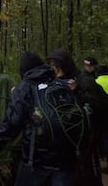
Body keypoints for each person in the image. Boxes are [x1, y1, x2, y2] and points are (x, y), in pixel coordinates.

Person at [0, 51, 84, 186]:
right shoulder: (60, 84)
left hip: (36, 161)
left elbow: (11, 124)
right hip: (66, 159)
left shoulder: (24, 89)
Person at [46, 49, 107, 186]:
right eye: (52, 65)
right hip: (67, 141)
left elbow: (97, 107)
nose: (55, 69)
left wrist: (77, 91)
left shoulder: (84, 81)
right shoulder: (54, 82)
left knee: (88, 172)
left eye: (57, 65)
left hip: (88, 137)